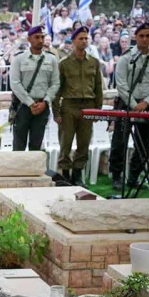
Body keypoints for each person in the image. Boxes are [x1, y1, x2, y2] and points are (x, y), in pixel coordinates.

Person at [110, 22, 149, 190]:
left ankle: (134, 176)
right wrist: (135, 104)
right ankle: (117, 176)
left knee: (144, 144)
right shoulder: (126, 58)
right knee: (120, 141)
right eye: (141, 36)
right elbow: (120, 84)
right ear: (136, 37)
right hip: (126, 104)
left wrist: (146, 102)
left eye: (148, 36)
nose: (144, 39)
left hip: (147, 106)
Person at [53, 26, 103, 185]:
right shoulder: (64, 63)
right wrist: (56, 112)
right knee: (65, 143)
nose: (84, 41)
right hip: (69, 106)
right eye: (80, 38)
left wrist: (97, 111)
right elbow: (57, 89)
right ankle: (65, 175)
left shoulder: (94, 62)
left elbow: (98, 87)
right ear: (74, 41)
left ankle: (77, 176)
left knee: (84, 143)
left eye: (86, 38)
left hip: (88, 106)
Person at [9, 26, 60, 151]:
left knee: (36, 146)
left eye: (42, 37)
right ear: (29, 39)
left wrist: (45, 102)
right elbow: (15, 83)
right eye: (36, 37)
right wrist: (30, 103)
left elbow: (55, 83)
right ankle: (19, 171)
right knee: (18, 146)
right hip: (23, 107)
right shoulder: (19, 58)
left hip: (42, 107)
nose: (40, 40)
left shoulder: (51, 59)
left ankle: (33, 171)